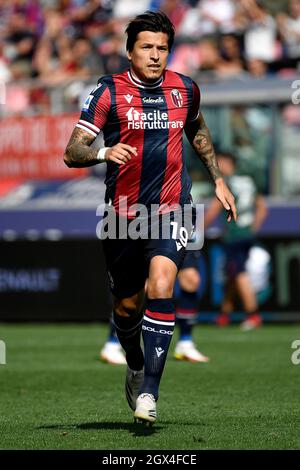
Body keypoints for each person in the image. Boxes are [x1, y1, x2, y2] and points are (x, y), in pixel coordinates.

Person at [64, 11, 237, 425]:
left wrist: (217, 178)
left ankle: (150, 394)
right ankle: (135, 362)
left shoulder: (185, 89)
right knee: (126, 307)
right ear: (129, 51)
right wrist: (104, 152)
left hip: (173, 207)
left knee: (162, 283)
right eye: (147, 47)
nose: (156, 55)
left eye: (162, 48)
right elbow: (72, 152)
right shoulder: (107, 92)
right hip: (122, 215)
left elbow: (197, 129)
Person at [205, 151, 267, 331]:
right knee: (232, 275)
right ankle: (224, 315)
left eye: (219, 162)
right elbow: (262, 208)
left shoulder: (227, 183)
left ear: (227, 162)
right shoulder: (248, 180)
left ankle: (253, 315)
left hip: (233, 236)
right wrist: (251, 228)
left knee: (238, 273)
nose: (216, 166)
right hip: (246, 235)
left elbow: (214, 210)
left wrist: (197, 228)